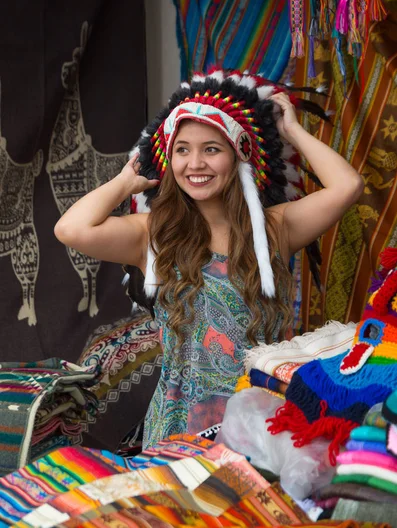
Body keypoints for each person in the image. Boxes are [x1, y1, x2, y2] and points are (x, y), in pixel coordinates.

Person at [54, 69, 363, 447]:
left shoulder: (274, 228)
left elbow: (348, 186)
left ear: (238, 156)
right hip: (178, 428)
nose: (195, 163)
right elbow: (71, 230)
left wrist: (293, 132)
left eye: (211, 149)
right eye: (182, 150)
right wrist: (126, 181)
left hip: (263, 422)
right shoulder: (154, 234)